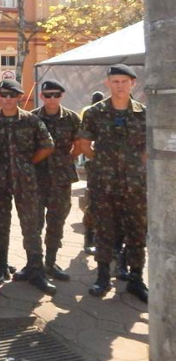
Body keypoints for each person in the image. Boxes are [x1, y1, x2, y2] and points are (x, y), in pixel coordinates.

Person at [80, 64, 148, 303]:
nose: (120, 85)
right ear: (107, 83)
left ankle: (136, 278)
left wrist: (134, 166)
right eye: (115, 81)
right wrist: (103, 164)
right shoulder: (95, 113)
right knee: (104, 229)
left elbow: (147, 149)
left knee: (137, 230)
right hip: (104, 184)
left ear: (133, 83)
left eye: (124, 81)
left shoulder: (144, 113)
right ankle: (102, 277)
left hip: (135, 185)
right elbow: (85, 145)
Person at [0, 79, 56, 295]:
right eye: (4, 95)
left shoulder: (31, 120)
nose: (8, 99)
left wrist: (28, 163)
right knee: (0, 225)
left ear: (19, 97)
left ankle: (36, 270)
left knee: (31, 225)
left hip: (26, 181)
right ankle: (1, 266)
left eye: (12, 95)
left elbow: (48, 145)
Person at [30, 80, 81, 281]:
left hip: (61, 178)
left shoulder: (72, 118)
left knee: (57, 220)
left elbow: (78, 145)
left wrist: (66, 159)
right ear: (41, 96)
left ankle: (51, 262)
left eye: (56, 95)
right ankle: (34, 263)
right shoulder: (32, 117)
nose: (52, 98)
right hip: (36, 177)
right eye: (48, 95)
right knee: (34, 222)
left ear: (62, 95)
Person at [80, 90, 105, 255]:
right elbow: (85, 143)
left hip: (124, 172)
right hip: (98, 167)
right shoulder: (91, 113)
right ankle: (89, 237)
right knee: (94, 204)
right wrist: (96, 159)